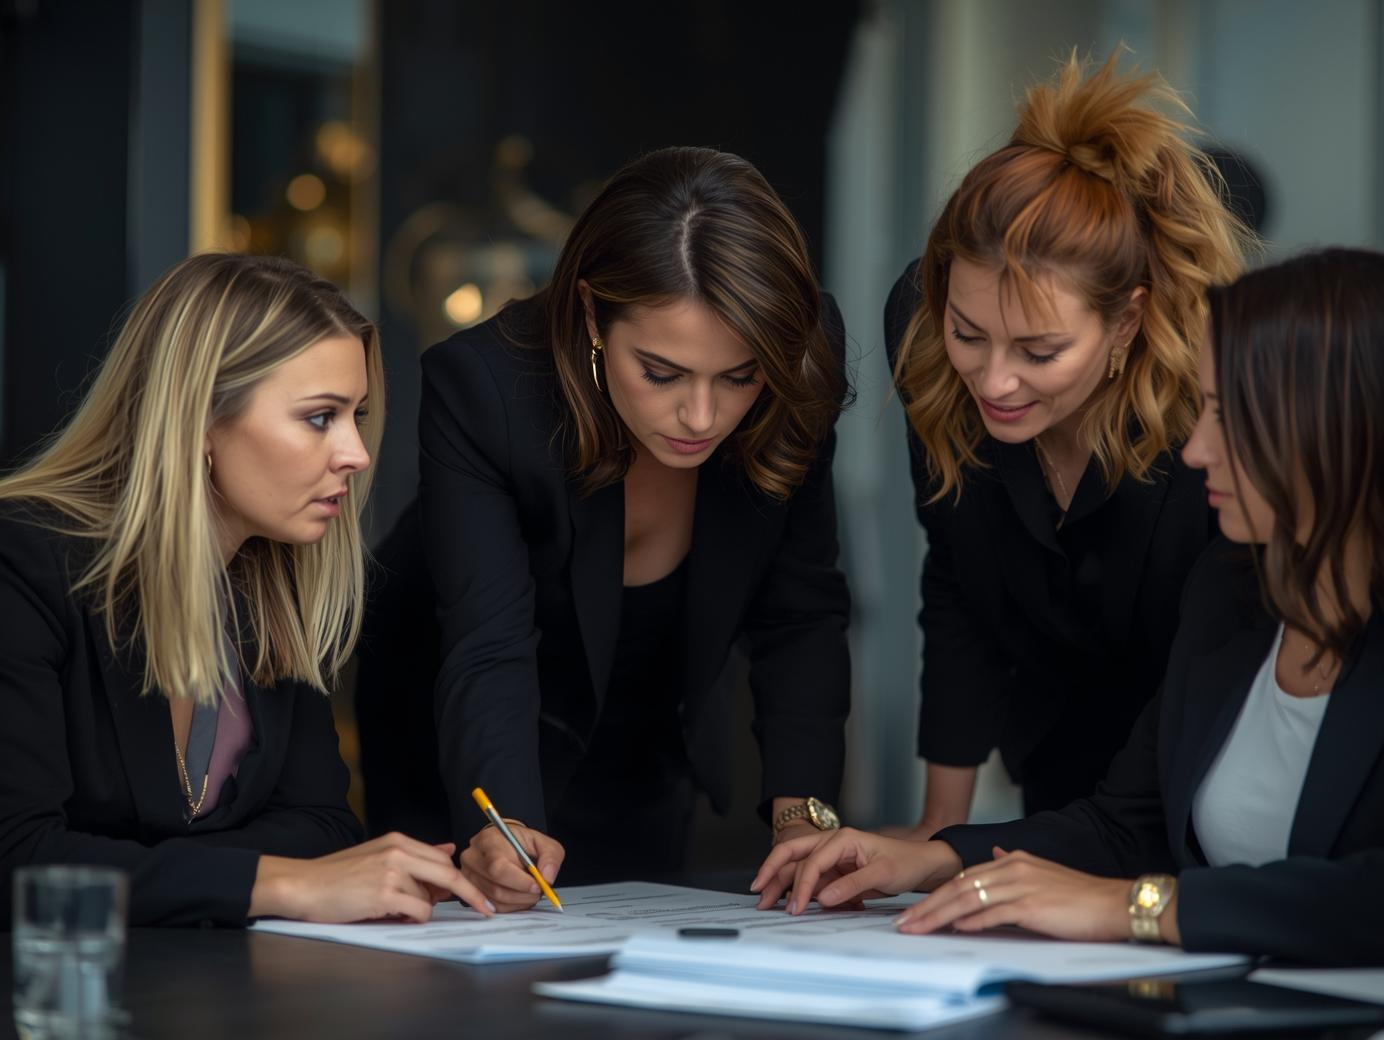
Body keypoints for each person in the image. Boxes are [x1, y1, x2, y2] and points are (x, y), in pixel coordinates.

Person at [754, 248, 1384, 965]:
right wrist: (934, 857)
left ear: (1342, 429)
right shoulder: (1229, 590)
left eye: (1227, 416)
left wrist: (1138, 907)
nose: (1199, 448)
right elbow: (1124, 826)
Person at [362, 146, 852, 908]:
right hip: (465, 733)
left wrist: (803, 817)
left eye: (739, 376)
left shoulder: (801, 355)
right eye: (660, 373)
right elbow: (489, 643)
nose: (702, 417)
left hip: (649, 733)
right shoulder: (486, 389)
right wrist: (505, 823)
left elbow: (802, 609)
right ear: (592, 312)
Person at [0, 253, 492, 927]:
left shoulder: (275, 585)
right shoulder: (21, 563)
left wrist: (143, 868)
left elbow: (322, 827)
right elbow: (17, 861)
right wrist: (285, 886)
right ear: (200, 419)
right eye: (321, 417)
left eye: (358, 414)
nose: (357, 452)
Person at [884, 51, 1252, 831]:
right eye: (969, 333)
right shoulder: (921, 337)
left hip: (1196, 767)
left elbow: (1219, 655)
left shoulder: (1207, 404)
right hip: (1048, 745)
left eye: (1039, 352)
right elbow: (956, 579)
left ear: (1126, 322)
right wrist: (935, 830)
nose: (994, 381)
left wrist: (1101, 847)